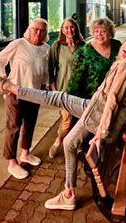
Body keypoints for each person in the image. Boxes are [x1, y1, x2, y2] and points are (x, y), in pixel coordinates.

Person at [0, 37, 126, 211]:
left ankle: (68, 195)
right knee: (58, 97)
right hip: (93, 107)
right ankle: (7, 86)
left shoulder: (124, 68)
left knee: (69, 143)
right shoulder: (124, 66)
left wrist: (101, 133)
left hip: (97, 116)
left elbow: (112, 101)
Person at [0, 18, 50, 179]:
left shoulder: (46, 48)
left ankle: (26, 153)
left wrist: (44, 85)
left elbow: (45, 71)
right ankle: (12, 162)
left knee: (30, 124)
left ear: (45, 34)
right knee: (14, 127)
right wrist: (4, 82)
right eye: (35, 29)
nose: (38, 33)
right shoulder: (19, 44)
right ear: (29, 29)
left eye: (42, 31)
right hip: (15, 92)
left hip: (35, 93)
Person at [48, 18, 85, 158]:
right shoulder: (57, 46)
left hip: (80, 91)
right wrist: (53, 90)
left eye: (72, 27)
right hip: (63, 89)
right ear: (62, 30)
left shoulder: (83, 46)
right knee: (66, 120)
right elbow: (50, 69)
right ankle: (58, 141)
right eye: (66, 28)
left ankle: (77, 144)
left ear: (76, 29)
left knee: (79, 119)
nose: (69, 30)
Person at [66, 17, 121, 98]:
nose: (99, 34)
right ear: (92, 33)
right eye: (96, 31)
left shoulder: (117, 46)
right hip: (91, 98)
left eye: (103, 31)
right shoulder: (85, 51)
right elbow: (75, 80)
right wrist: (68, 101)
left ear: (110, 33)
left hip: (114, 94)